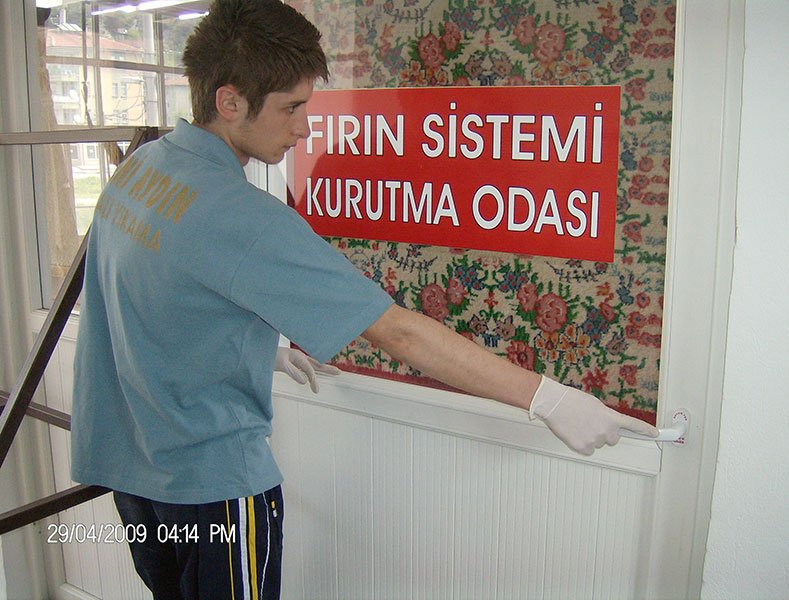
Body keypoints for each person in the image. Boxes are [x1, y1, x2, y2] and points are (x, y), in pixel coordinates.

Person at [70, 1, 658, 598]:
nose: (304, 128)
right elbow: (397, 331)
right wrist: (549, 398)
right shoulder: (242, 215)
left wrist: (246, 345)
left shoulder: (141, 169)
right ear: (230, 102)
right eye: (291, 107)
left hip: (134, 471)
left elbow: (145, 294)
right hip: (210, 487)